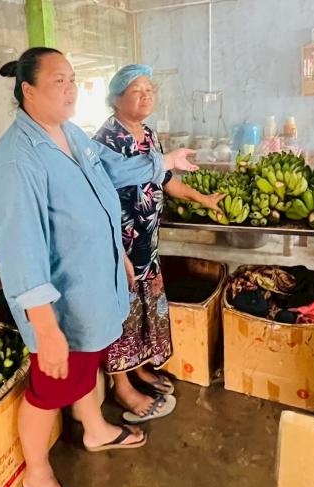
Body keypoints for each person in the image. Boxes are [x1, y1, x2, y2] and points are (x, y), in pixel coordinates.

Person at [0, 47, 198, 487]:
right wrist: (46, 327)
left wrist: (161, 164)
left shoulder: (70, 134)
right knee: (47, 391)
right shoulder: (19, 162)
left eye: (73, 79)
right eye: (59, 81)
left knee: (86, 371)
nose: (71, 89)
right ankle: (37, 476)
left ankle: (95, 429)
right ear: (27, 91)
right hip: (62, 304)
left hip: (93, 288)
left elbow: (112, 176)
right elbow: (21, 253)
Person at [94, 65, 223, 422]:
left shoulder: (148, 134)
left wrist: (202, 198)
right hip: (120, 245)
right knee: (123, 314)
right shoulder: (105, 141)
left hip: (147, 245)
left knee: (147, 308)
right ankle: (121, 385)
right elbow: (108, 188)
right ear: (116, 99)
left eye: (150, 89)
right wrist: (117, 251)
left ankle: (139, 369)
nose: (147, 95)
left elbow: (165, 178)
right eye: (137, 91)